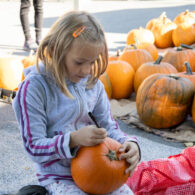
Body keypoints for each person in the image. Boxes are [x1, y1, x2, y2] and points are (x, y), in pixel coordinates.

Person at [12, 11, 141, 195]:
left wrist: (129, 144)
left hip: (100, 170)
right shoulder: (34, 89)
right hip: (58, 177)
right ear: (55, 51)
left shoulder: (93, 85)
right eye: (79, 62)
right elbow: (34, 147)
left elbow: (109, 127)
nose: (87, 70)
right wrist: (73, 139)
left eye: (93, 62)